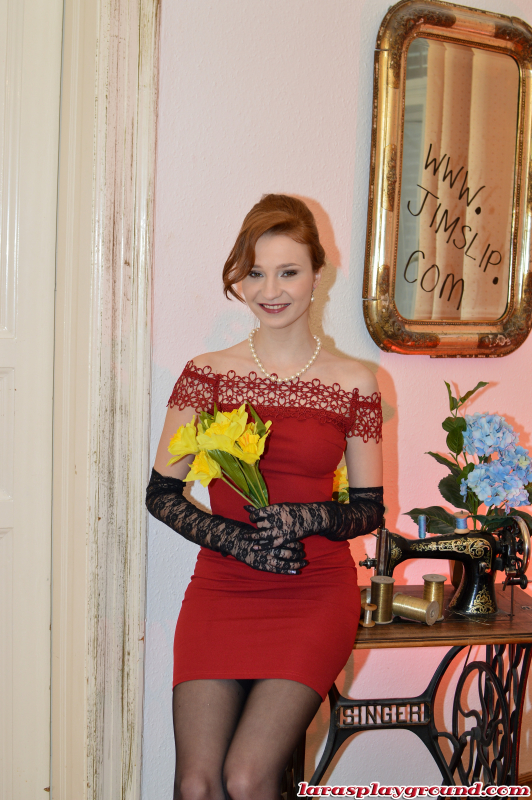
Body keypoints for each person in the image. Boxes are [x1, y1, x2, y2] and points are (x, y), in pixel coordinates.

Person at [146, 194, 384, 800]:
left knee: (248, 779)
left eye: (288, 271)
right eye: (255, 272)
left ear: (317, 275)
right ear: (238, 279)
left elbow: (369, 508)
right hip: (223, 588)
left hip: (312, 592)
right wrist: (238, 543)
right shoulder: (207, 372)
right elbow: (163, 492)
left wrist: (308, 516)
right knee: (197, 786)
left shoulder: (356, 381)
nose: (270, 289)